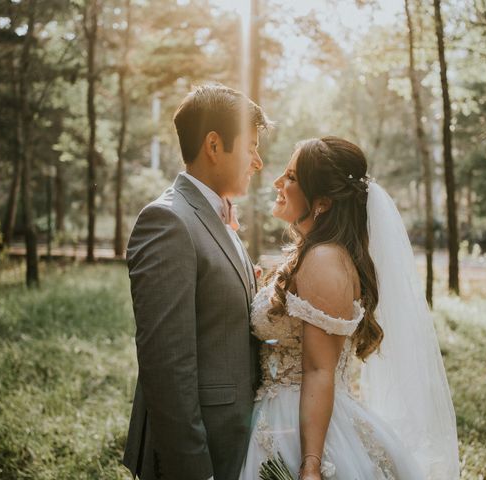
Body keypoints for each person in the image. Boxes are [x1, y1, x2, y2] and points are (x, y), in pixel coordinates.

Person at [239, 137, 460, 479]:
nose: (278, 183)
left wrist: (311, 464)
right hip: (277, 414)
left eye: (292, 177)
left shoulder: (325, 259)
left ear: (323, 202)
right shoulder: (314, 253)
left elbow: (318, 371)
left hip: (300, 427)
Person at [123, 84, 270, 480]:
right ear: (214, 144)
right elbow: (167, 366)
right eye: (251, 146)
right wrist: (192, 469)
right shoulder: (168, 221)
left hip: (235, 439)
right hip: (198, 451)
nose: (257, 162)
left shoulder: (215, 216)